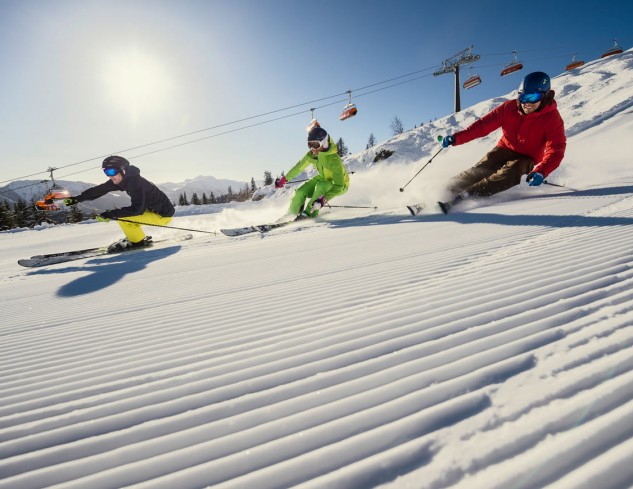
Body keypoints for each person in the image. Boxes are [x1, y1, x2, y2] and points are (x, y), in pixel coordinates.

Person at [438, 71, 566, 213]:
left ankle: (467, 195)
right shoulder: (508, 108)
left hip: (528, 157)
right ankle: (446, 189)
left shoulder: (552, 119)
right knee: (482, 169)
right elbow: (482, 126)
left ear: (545, 95)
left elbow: (556, 149)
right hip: (505, 148)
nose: (527, 103)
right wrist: (457, 138)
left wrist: (542, 172)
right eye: (523, 97)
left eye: (533, 97)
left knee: (511, 172)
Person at [64, 156, 175, 251]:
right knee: (124, 217)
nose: (109, 176)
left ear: (123, 170)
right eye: (106, 172)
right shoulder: (124, 179)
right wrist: (77, 199)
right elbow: (101, 189)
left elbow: (137, 210)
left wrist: (110, 214)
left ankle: (137, 242)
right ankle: (136, 238)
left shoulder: (136, 183)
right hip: (152, 210)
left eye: (112, 171)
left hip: (163, 215)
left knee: (124, 218)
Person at [275, 123, 350, 220]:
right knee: (300, 192)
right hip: (323, 178)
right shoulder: (311, 155)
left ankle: (308, 214)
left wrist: (323, 200)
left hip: (340, 185)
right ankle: (291, 214)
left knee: (321, 186)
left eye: (315, 145)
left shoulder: (334, 159)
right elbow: (298, 167)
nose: (312, 149)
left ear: (324, 143)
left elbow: (339, 186)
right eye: (310, 144)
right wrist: (284, 180)